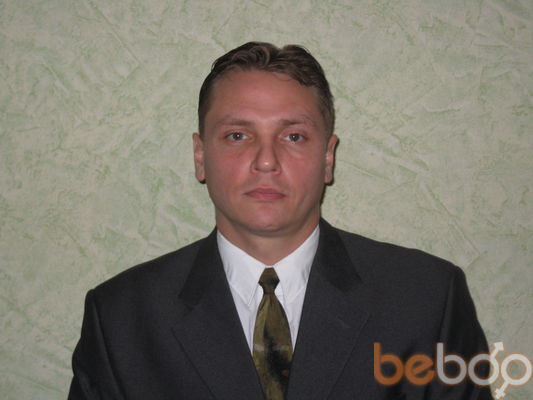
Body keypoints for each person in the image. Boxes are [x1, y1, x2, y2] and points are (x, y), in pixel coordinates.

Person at [69, 42, 493, 399]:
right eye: (238, 135)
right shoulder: (121, 317)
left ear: (327, 158)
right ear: (200, 156)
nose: (266, 161)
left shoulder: (427, 299)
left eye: (293, 136)